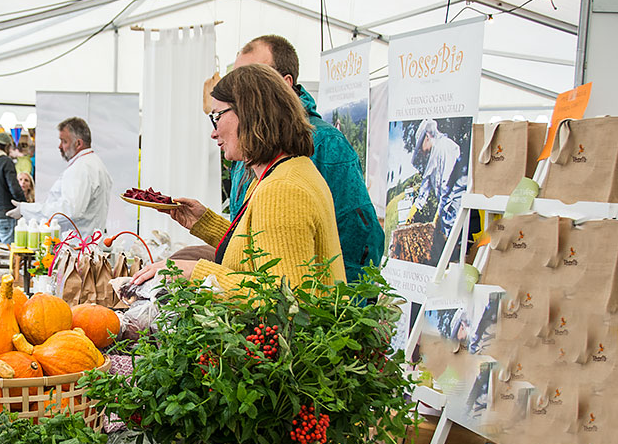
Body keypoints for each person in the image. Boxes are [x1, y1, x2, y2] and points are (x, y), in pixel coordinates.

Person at [132, 64, 345, 290]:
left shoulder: (282, 189)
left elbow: (285, 300)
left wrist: (192, 271)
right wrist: (204, 223)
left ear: (250, 113)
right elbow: (261, 252)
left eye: (217, 116)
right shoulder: (283, 173)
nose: (213, 132)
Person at [225, 35, 383, 282]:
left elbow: (357, 233)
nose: (237, 93)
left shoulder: (326, 143)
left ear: (285, 83)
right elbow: (252, 235)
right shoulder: (251, 143)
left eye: (253, 78)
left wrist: (342, 305)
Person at [9, 117, 112, 237]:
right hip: (86, 241)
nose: (60, 146)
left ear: (78, 143)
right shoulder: (93, 163)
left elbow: (69, 210)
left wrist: (27, 210)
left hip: (78, 244)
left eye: (64, 141)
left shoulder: (81, 168)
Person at [407, 118, 466, 255]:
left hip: (454, 206)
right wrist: (415, 208)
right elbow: (425, 185)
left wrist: (438, 215)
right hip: (445, 206)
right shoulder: (434, 153)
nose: (421, 151)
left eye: (420, 145)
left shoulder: (445, 147)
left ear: (427, 137)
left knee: (452, 245)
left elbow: (447, 185)